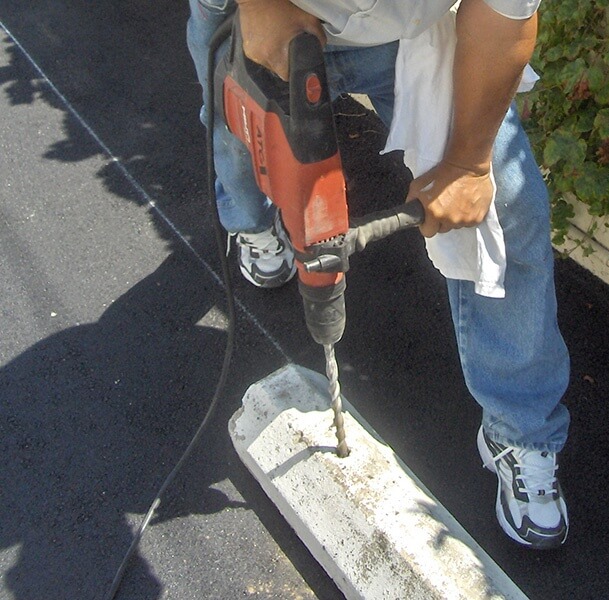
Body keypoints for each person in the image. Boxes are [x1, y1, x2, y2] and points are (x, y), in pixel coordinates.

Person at [187, 0, 571, 549]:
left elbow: (503, 17)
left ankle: (521, 431)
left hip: (404, 34)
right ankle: (248, 222)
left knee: (509, 208)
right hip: (264, 12)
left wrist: (468, 164)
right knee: (238, 133)